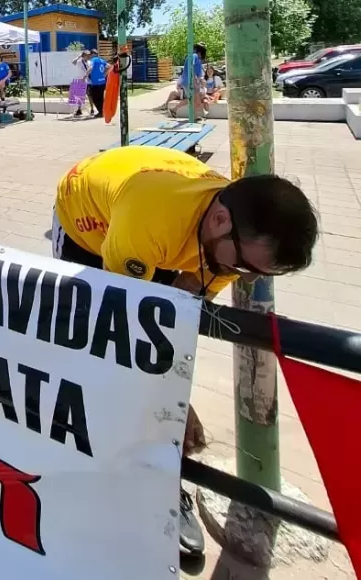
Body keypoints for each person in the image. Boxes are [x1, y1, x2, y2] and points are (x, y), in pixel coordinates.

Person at [51, 145, 319, 559]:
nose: (242, 276)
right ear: (219, 219)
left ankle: (157, 476)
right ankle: (116, 474)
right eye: (245, 267)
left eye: (255, 273)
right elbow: (128, 337)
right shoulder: (151, 220)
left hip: (153, 214)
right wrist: (177, 403)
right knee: (98, 352)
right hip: (89, 219)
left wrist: (174, 392)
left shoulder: (230, 242)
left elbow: (177, 323)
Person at [181, 43, 207, 121]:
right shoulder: (194, 56)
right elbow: (192, 67)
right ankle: (193, 117)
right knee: (194, 100)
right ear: (200, 53)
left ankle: (195, 116)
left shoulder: (191, 57)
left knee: (194, 100)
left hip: (187, 81)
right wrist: (196, 79)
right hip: (190, 81)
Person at [85, 49, 108, 119]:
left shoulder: (93, 60)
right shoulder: (101, 60)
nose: (90, 56)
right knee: (101, 98)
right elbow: (109, 66)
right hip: (102, 82)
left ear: (92, 54)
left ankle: (101, 112)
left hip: (96, 83)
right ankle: (103, 112)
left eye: (90, 54)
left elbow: (91, 67)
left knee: (95, 98)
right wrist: (104, 75)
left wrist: (85, 75)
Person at [71, 50, 93, 116]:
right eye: (87, 55)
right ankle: (79, 110)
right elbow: (73, 62)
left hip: (87, 81)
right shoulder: (79, 62)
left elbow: (90, 69)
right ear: (83, 56)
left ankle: (92, 109)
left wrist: (85, 76)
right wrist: (79, 56)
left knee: (89, 95)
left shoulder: (90, 62)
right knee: (79, 96)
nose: (89, 56)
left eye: (89, 55)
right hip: (79, 80)